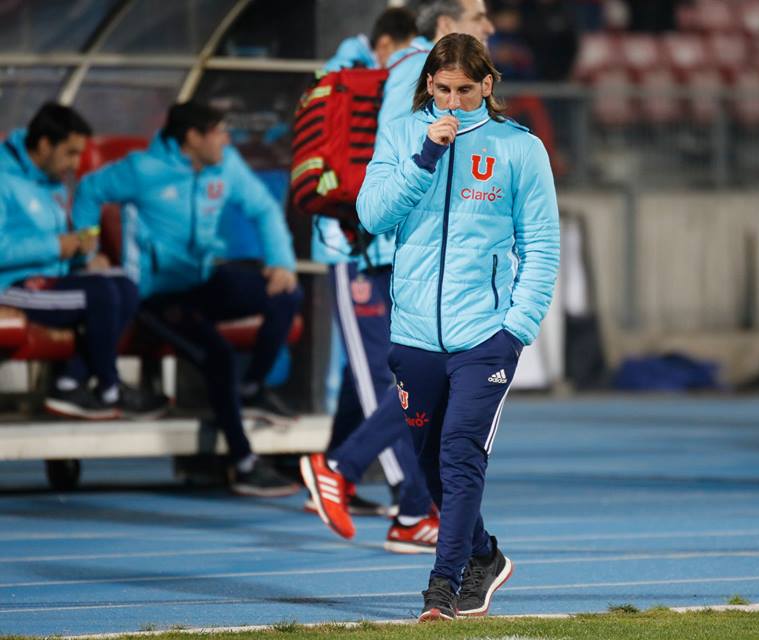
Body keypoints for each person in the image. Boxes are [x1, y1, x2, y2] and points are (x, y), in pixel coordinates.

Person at [358, 33, 559, 620]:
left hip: (484, 336)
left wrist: (516, 327)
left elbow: (542, 244)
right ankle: (484, 556)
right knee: (428, 469)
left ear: (487, 85)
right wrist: (424, 156)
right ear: (428, 85)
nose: (450, 101)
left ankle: (441, 589)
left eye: (464, 90)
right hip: (415, 335)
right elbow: (371, 216)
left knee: (460, 453)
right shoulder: (401, 135)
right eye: (441, 89)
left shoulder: (519, 149)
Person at [301, 1, 494, 552]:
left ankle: (405, 506)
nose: (490, 24)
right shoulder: (416, 69)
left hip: (407, 252)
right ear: (444, 24)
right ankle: (346, 471)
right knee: (417, 382)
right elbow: (388, 156)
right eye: (478, 13)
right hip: (384, 251)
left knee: (421, 378)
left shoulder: (428, 75)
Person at [72, 101, 302, 497]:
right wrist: (86, 250)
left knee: (285, 293)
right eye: (219, 131)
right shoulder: (143, 169)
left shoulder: (225, 164)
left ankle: (253, 390)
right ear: (192, 138)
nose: (227, 139)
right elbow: (89, 190)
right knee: (219, 355)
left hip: (205, 279)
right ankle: (244, 464)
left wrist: (280, 261)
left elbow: (264, 208)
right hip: (158, 295)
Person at [0, 103, 167, 420]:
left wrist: (84, 257)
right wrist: (55, 246)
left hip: (49, 281)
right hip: (11, 286)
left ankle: (69, 381)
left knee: (124, 286)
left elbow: (61, 242)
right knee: (102, 295)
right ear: (45, 145)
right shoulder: (4, 179)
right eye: (71, 153)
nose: (76, 164)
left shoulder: (51, 179)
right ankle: (110, 389)